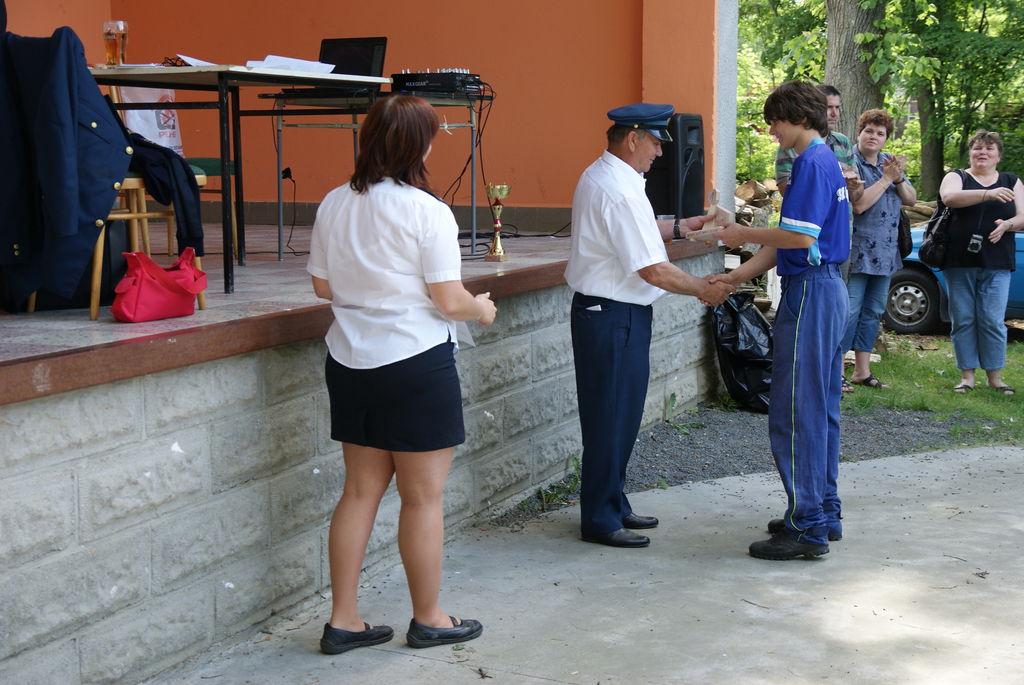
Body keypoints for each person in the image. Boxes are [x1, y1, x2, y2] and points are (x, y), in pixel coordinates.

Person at [307, 94, 496, 654]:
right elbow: (449, 300)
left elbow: (322, 286)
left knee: (359, 492)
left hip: (350, 360)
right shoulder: (426, 210)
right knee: (422, 499)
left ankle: (344, 620)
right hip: (415, 362)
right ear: (420, 146)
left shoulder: (334, 202)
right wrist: (482, 308)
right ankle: (429, 617)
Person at [566, 102, 734, 549]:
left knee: (620, 415)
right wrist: (703, 288)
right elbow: (653, 270)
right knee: (610, 418)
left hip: (615, 313)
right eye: (656, 143)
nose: (660, 153)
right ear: (632, 138)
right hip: (612, 314)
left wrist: (685, 226)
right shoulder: (617, 189)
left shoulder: (612, 178)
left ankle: (612, 502)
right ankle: (600, 518)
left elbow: (638, 230)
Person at [713, 81, 850, 560]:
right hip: (827, 289)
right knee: (822, 406)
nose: (772, 130)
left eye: (775, 120)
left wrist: (740, 231)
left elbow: (798, 238)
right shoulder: (825, 160)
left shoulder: (809, 163)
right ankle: (823, 510)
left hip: (809, 292)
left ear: (799, 116)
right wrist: (734, 278)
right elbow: (791, 237)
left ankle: (806, 526)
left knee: (794, 409)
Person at [939, 129, 1023, 395]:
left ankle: (995, 378)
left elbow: (1023, 216)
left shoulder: (1012, 181)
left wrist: (1008, 224)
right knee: (963, 319)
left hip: (998, 261)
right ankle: (967, 377)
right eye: (977, 148)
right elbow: (949, 198)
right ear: (970, 153)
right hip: (959, 260)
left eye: (989, 148)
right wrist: (988, 194)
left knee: (992, 320)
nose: (982, 152)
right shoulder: (957, 177)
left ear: (998, 155)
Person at [843, 109, 917, 389]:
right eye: (869, 131)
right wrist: (886, 179)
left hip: (886, 253)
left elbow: (911, 199)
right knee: (849, 311)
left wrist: (896, 178)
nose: (873, 137)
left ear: (886, 138)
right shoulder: (850, 162)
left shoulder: (889, 163)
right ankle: (835, 371)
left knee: (873, 311)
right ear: (859, 133)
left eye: (880, 133)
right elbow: (859, 205)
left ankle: (862, 372)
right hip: (856, 250)